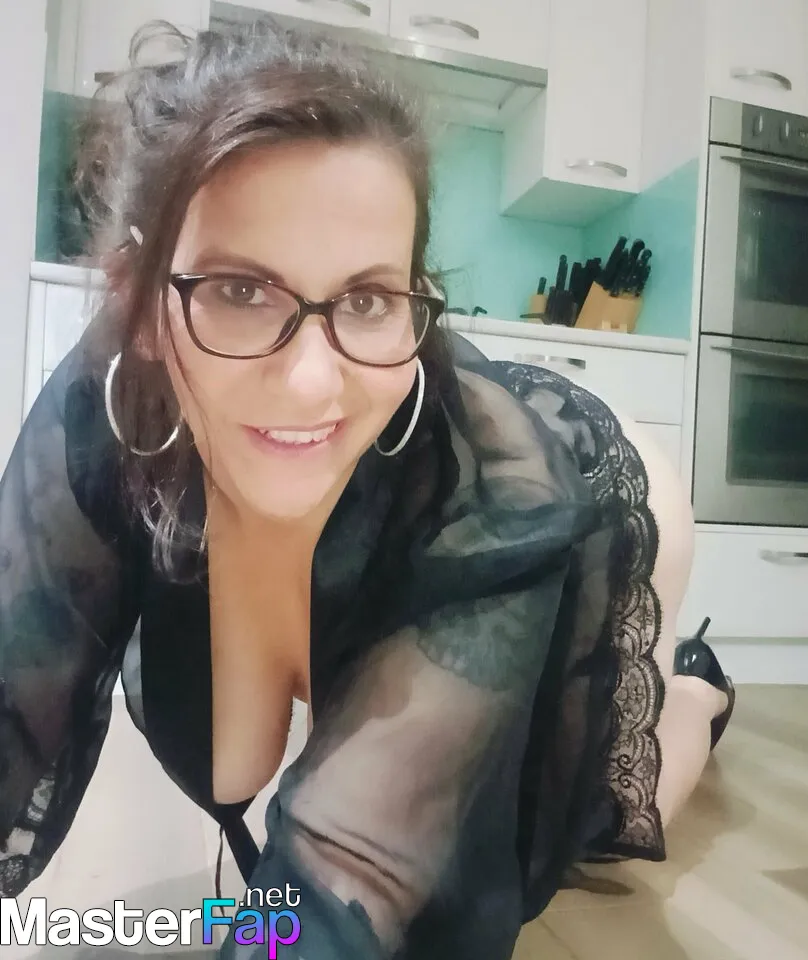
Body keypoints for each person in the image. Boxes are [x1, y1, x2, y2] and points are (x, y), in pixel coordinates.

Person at [0, 19, 734, 959]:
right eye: (240, 290)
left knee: (592, 812)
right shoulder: (111, 389)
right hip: (361, 475)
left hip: (596, 488)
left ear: (414, 293)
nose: (313, 380)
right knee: (231, 759)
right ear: (139, 300)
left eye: (368, 298)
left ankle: (698, 693)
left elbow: (344, 901)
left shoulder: (493, 511)